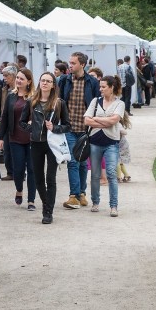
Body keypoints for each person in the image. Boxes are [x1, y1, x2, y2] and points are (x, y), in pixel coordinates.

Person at [20, 72, 71, 224]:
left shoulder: (59, 103)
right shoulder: (31, 102)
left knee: (51, 178)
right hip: (36, 142)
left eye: (48, 81)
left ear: (53, 85)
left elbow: (68, 126)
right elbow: (21, 123)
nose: (45, 83)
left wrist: (54, 127)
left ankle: (48, 212)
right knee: (38, 178)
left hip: (52, 144)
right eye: (43, 80)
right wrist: (31, 128)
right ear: (39, 83)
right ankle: (46, 204)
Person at [58, 52, 100, 209]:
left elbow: (97, 104)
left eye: (73, 63)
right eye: (69, 62)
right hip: (69, 127)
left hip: (86, 129)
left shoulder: (92, 82)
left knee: (83, 162)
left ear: (82, 64)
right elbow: (60, 101)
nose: (70, 65)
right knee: (73, 161)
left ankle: (82, 193)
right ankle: (73, 195)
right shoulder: (64, 80)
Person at [84, 75, 127, 217]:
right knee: (95, 175)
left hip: (111, 144)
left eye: (103, 87)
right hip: (95, 143)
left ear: (111, 87)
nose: (100, 89)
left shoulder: (119, 104)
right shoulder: (95, 101)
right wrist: (104, 121)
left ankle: (113, 206)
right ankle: (95, 202)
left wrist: (96, 118)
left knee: (111, 174)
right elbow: (87, 121)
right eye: (100, 86)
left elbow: (114, 121)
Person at [0, 68, 36, 211]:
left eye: (22, 79)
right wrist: (0, 137)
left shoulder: (34, 97)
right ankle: (19, 189)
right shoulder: (11, 96)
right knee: (18, 170)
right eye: (18, 78)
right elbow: (5, 117)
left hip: (32, 139)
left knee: (32, 170)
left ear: (29, 81)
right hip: (15, 138)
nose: (18, 81)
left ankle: (31, 200)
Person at [0, 64, 18, 180]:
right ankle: (10, 171)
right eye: (3, 76)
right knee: (7, 148)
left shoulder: (18, 90)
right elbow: (2, 105)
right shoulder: (4, 89)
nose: (4, 78)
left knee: (15, 149)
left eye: (6, 76)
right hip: (5, 121)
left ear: (13, 75)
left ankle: (18, 171)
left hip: (16, 122)